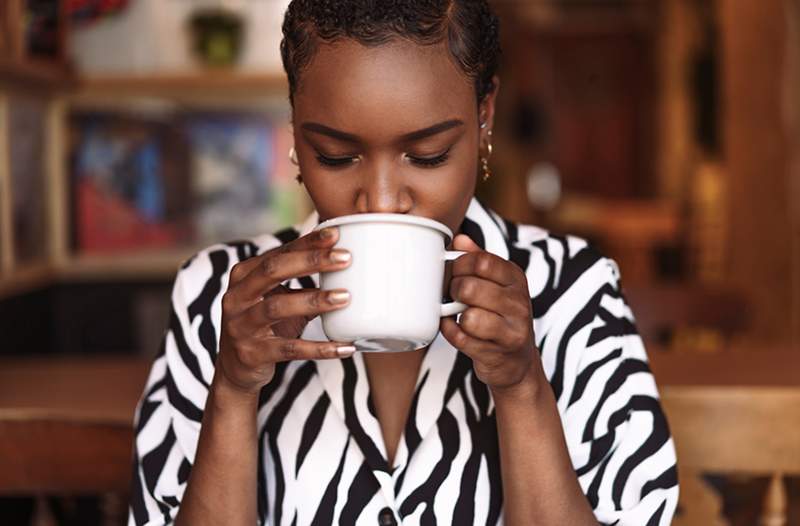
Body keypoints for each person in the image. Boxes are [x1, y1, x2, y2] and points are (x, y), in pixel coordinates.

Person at [128, 1, 679, 525]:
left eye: (429, 155)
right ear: (297, 131)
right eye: (336, 156)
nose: (384, 199)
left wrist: (522, 389)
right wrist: (233, 391)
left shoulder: (570, 290)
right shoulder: (218, 296)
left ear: (484, 115)